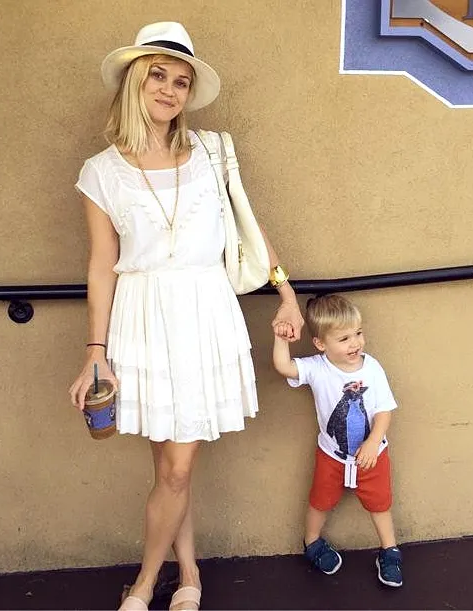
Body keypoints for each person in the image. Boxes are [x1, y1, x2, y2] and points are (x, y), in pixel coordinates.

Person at [68, 21, 304, 611]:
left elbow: (247, 228)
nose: (170, 90)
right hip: (142, 319)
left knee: (177, 465)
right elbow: (101, 264)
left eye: (181, 81)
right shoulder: (100, 172)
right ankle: (190, 574)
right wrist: (95, 352)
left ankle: (145, 583)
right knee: (170, 465)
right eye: (158, 76)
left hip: (204, 314)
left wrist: (286, 292)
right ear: (133, 81)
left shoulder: (210, 152)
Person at [272, 294, 403, 587]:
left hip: (372, 455)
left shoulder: (372, 368)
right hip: (332, 456)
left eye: (358, 333)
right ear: (321, 344)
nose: (355, 343)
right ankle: (312, 541)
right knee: (320, 501)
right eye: (344, 339)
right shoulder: (317, 367)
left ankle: (390, 550)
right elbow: (284, 366)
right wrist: (281, 337)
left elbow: (384, 410)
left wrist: (373, 442)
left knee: (380, 503)